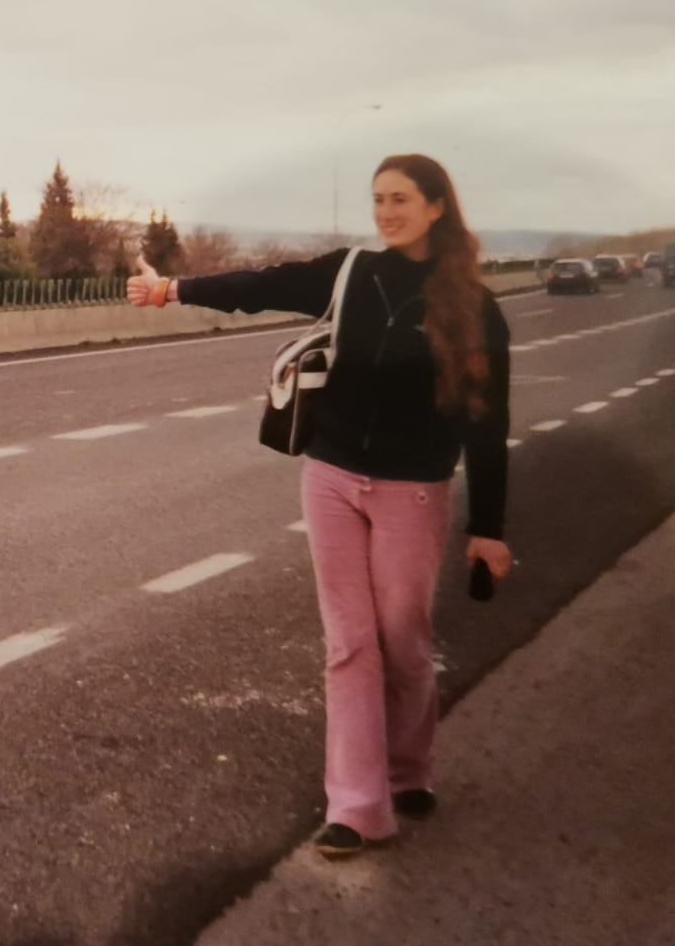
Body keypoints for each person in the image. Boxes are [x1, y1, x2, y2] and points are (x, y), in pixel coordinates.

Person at [129, 153, 513, 859]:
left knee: (404, 640)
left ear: (436, 207)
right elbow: (262, 285)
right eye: (378, 199)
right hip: (332, 476)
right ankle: (356, 807)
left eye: (400, 199)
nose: (386, 212)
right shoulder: (353, 273)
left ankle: (409, 768)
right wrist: (173, 289)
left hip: (414, 489)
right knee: (350, 643)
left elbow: (488, 424)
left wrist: (488, 527)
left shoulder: (475, 308)